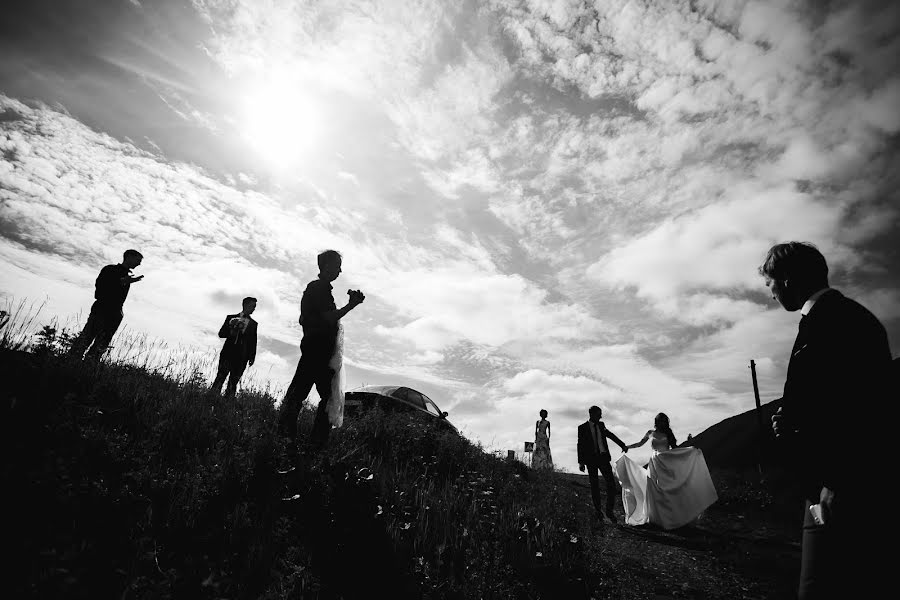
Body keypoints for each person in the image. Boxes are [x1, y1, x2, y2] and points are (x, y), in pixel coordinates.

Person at [761, 241, 891, 599]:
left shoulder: (831, 321)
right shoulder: (846, 316)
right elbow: (832, 397)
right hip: (830, 483)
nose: (770, 294)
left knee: (819, 587)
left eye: (770, 283)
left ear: (786, 279)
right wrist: (792, 421)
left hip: (838, 487)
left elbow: (867, 408)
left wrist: (836, 480)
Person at [278, 250, 364, 449]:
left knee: (317, 396)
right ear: (326, 267)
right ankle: (297, 441)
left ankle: (295, 440)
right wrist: (351, 306)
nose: (340, 271)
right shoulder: (317, 288)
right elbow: (327, 317)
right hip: (316, 350)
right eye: (337, 266)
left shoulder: (321, 289)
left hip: (318, 350)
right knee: (314, 396)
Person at [615, 413, 717, 530]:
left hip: (666, 462)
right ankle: (655, 518)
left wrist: (690, 451)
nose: (662, 423)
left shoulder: (668, 433)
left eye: (664, 421)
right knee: (653, 488)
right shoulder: (650, 433)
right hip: (654, 463)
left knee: (666, 489)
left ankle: (669, 518)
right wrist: (627, 447)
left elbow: (675, 448)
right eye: (660, 421)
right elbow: (640, 443)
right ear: (657, 422)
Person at [70, 249, 143, 360]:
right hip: (102, 309)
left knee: (102, 343)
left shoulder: (128, 276)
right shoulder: (110, 269)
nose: (139, 264)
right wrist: (121, 281)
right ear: (129, 257)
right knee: (87, 337)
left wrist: (124, 282)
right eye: (138, 260)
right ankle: (71, 361)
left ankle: (90, 366)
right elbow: (99, 290)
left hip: (116, 314)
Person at [577, 406, 629, 522]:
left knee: (611, 485)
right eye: (599, 414)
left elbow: (611, 435)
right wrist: (581, 462)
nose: (601, 416)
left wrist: (622, 445)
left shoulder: (601, 425)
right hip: (591, 460)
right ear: (591, 414)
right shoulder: (582, 428)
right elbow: (580, 445)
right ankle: (598, 511)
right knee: (594, 486)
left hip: (603, 458)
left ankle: (609, 511)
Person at [210, 297, 258, 398]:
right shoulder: (230, 318)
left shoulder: (254, 324)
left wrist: (252, 357)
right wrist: (231, 332)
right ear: (246, 305)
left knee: (233, 382)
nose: (254, 308)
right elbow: (221, 333)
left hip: (242, 357)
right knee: (220, 377)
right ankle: (211, 399)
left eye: (255, 307)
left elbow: (253, 342)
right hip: (227, 353)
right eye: (253, 306)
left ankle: (227, 405)